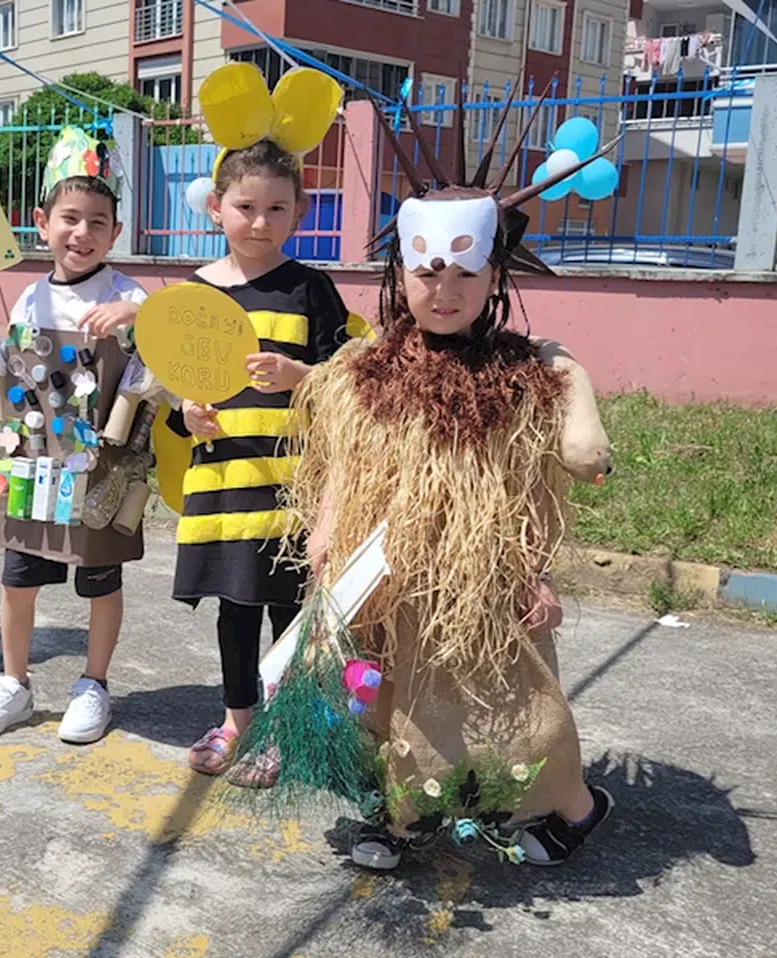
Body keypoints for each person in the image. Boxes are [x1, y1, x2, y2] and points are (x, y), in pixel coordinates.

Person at [232, 94, 617, 871]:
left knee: (517, 710)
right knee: (385, 704)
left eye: (466, 273)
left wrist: (537, 570)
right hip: (388, 584)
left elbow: (540, 480)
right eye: (428, 272)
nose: (446, 291)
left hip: (486, 584)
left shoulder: (522, 375)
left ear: (495, 274)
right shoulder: (362, 372)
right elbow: (345, 463)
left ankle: (576, 804)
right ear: (400, 273)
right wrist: (327, 546)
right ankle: (403, 816)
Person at [0, 137, 148, 746]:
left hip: (103, 466)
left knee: (101, 578)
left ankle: (93, 684)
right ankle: (13, 682)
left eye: (97, 223)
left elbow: (167, 338)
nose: (82, 233)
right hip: (35, 463)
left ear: (115, 232)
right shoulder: (31, 296)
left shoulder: (127, 293)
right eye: (70, 219)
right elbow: (9, 368)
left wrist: (133, 317)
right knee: (18, 576)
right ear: (42, 222)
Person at [169, 133, 349, 780]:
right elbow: (176, 388)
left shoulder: (311, 289)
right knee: (236, 606)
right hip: (225, 481)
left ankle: (282, 726)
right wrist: (186, 414)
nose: (260, 222)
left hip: (294, 484)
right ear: (216, 207)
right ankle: (237, 721)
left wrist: (300, 376)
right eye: (246, 207)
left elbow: (349, 381)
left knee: (291, 610)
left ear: (299, 212)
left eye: (277, 209)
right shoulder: (195, 295)